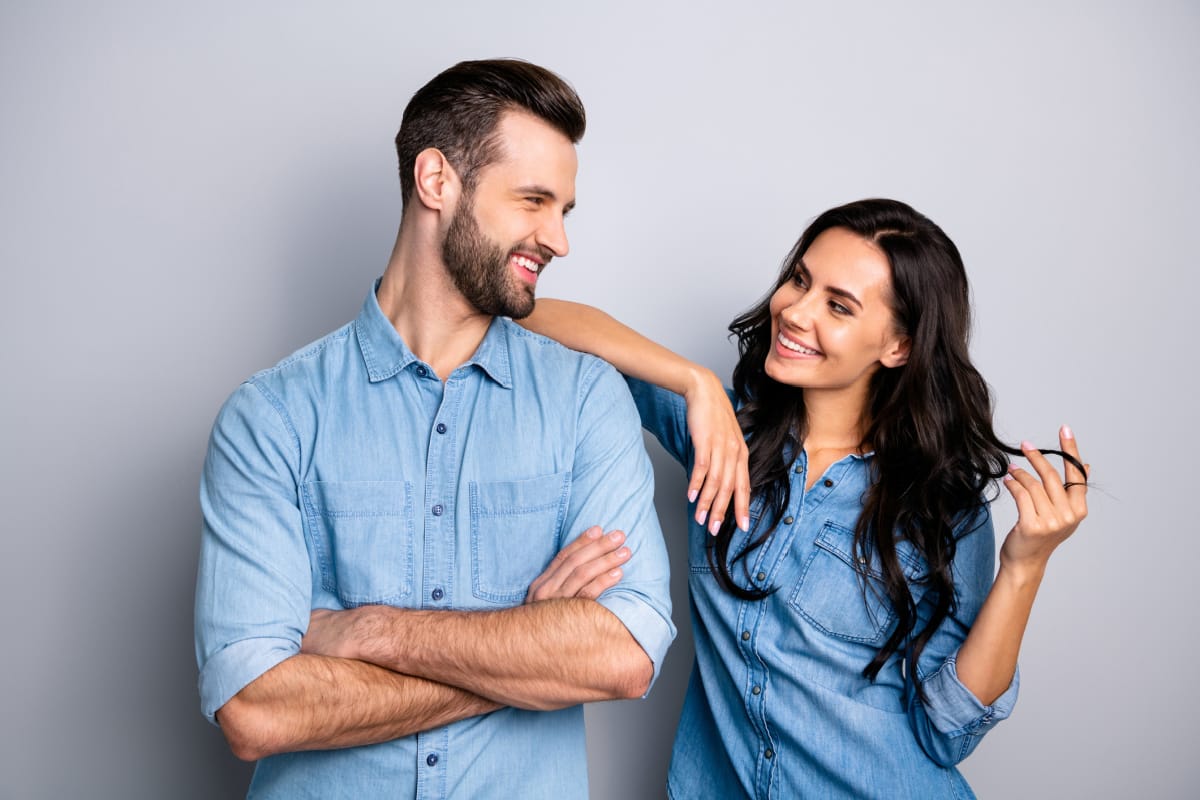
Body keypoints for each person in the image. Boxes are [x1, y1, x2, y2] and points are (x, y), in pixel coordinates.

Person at [194, 59, 675, 799]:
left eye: (564, 210)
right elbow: (255, 709)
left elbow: (622, 655)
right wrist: (523, 648)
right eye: (533, 201)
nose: (558, 239)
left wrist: (375, 633)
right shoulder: (272, 418)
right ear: (436, 181)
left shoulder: (587, 399)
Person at [521, 198, 1089, 799]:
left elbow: (946, 730)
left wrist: (1024, 568)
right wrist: (693, 384)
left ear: (897, 346)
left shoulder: (941, 505)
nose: (794, 311)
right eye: (800, 280)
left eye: (837, 306)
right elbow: (533, 317)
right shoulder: (720, 437)